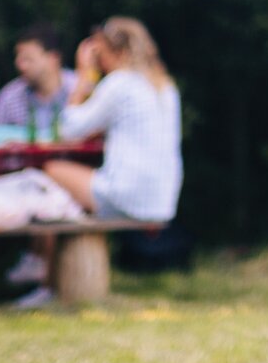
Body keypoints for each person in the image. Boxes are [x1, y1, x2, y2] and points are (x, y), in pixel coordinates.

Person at [45, 17, 182, 224]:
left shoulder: (119, 83)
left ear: (119, 53)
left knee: (51, 169)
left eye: (100, 55)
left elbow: (68, 130)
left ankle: (40, 254)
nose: (98, 64)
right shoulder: (166, 86)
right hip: (163, 201)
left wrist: (83, 77)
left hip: (126, 198)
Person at [0, 23, 76, 139]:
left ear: (53, 58)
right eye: (18, 59)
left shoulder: (80, 89)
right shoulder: (9, 97)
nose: (21, 66)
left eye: (28, 59)